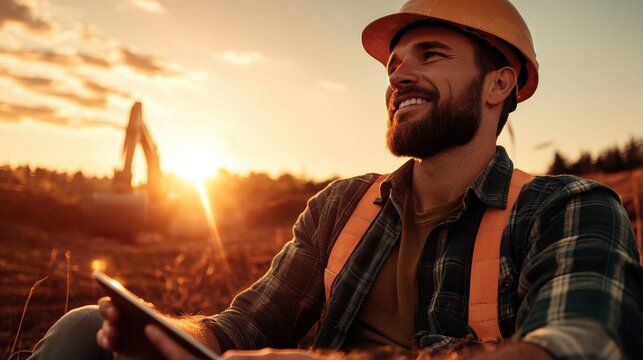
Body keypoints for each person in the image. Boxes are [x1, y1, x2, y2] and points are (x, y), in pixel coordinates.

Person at [30, 0, 642, 359]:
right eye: (395, 65)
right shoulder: (343, 206)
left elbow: (580, 345)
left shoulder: (570, 209)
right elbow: (245, 326)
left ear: (499, 83)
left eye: (430, 55)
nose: (400, 75)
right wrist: (174, 338)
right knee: (88, 328)